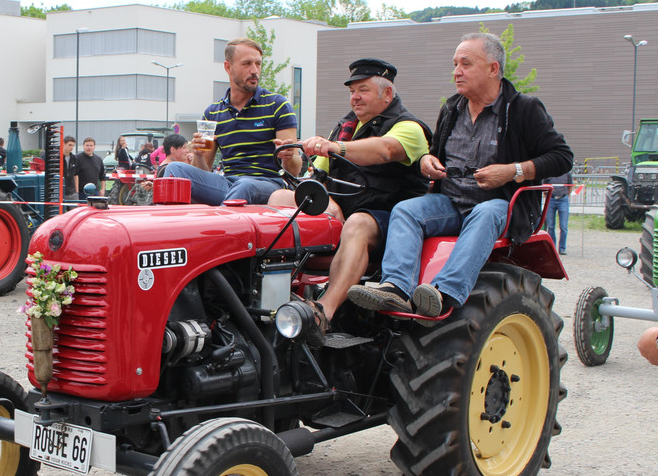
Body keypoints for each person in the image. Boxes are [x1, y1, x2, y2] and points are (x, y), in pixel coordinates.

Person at [348, 32, 573, 318]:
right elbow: (434, 154)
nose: (456, 72)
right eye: (455, 64)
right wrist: (427, 161)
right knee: (405, 210)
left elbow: (562, 157)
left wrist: (512, 171)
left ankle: (443, 292)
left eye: (466, 64)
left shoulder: (523, 109)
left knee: (486, 213)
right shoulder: (451, 108)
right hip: (452, 202)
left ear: (493, 68)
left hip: (503, 204)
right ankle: (397, 288)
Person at [268, 59, 431, 330]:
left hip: (390, 221)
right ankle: (271, 293)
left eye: (363, 90)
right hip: (342, 213)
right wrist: (292, 159)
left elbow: (385, 150)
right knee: (279, 198)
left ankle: (324, 311)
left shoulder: (409, 127)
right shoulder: (345, 128)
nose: (355, 97)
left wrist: (336, 147)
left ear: (387, 93)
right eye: (352, 91)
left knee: (358, 223)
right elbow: (315, 178)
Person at [164, 37, 301, 204]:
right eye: (247, 64)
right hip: (228, 184)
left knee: (245, 185)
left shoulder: (278, 105)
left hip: (269, 185)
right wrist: (198, 156)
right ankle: (169, 219)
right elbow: (203, 171)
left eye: (258, 64)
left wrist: (288, 157)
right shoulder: (213, 113)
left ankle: (220, 219)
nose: (254, 70)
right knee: (174, 168)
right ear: (228, 67)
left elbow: (294, 171)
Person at [545, 170, 571, 254]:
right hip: (551, 199)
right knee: (551, 226)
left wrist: (567, 195)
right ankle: (552, 247)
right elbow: (544, 186)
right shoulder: (548, 172)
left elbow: (570, 185)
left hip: (563, 199)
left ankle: (562, 248)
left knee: (563, 226)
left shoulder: (567, 173)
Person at [61, 135, 78, 200]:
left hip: (72, 192)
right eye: (70, 145)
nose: (72, 147)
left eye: (73, 145)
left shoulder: (74, 158)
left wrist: (76, 191)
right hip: (60, 191)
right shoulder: (57, 158)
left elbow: (76, 175)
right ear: (64, 144)